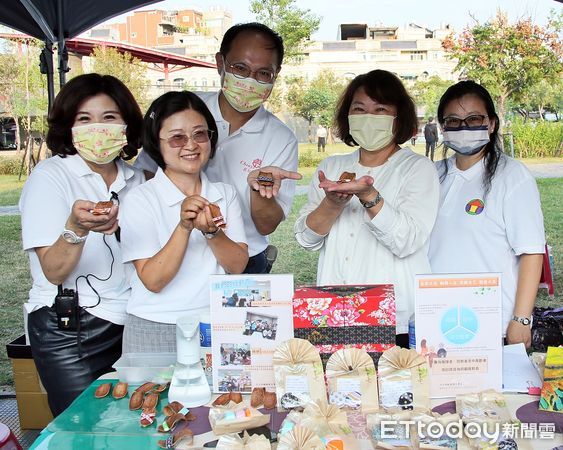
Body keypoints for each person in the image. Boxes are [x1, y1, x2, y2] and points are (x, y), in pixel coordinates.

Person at [19, 74, 145, 416]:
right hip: (71, 329)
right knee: (85, 427)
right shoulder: (50, 177)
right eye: (84, 120)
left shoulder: (136, 179)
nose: (98, 129)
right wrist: (76, 228)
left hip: (132, 322)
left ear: (126, 125)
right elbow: (54, 269)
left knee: (129, 424)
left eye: (109, 118)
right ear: (69, 129)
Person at [134, 23, 301, 274]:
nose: (250, 80)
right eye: (240, 68)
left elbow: (266, 226)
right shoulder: (187, 109)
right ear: (220, 63)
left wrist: (260, 189)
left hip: (243, 258)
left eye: (263, 73)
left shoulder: (281, 138)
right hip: (174, 250)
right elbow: (146, 173)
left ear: (275, 75)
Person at [294, 70, 439, 346]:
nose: (368, 117)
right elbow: (306, 239)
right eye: (359, 109)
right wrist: (331, 204)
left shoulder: (417, 168)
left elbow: (407, 240)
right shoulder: (331, 168)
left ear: (398, 117)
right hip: (335, 314)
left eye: (380, 109)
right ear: (347, 117)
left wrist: (370, 197)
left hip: (395, 317)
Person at [119, 91, 248, 353]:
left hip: (214, 324)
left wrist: (213, 233)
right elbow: (154, 280)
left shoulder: (225, 194)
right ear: (157, 142)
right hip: (154, 326)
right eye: (177, 137)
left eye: (200, 134)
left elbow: (237, 266)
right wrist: (184, 227)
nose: (191, 145)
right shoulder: (139, 199)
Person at [428, 81, 545, 348]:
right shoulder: (432, 175)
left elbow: (531, 252)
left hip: (492, 322)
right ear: (443, 128)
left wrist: (521, 319)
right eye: (453, 121)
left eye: (474, 118)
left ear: (491, 123)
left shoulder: (512, 176)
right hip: (435, 317)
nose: (464, 127)